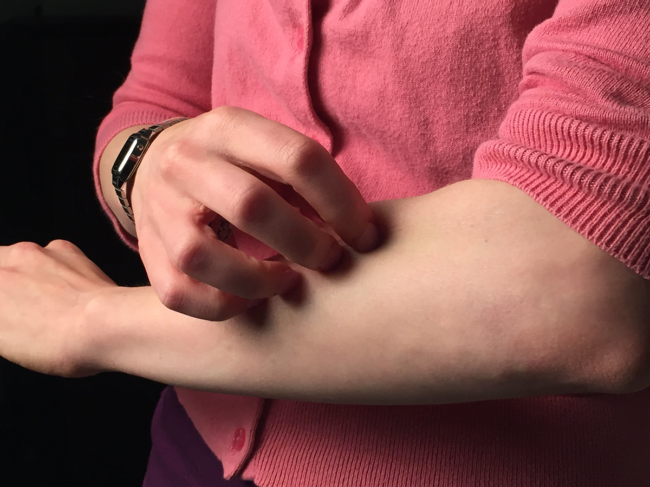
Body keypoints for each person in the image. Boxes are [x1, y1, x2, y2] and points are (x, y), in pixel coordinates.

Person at [2, 0, 650, 485]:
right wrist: (146, 162)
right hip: (190, 448)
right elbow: (155, 98)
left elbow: (581, 280)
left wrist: (89, 319)